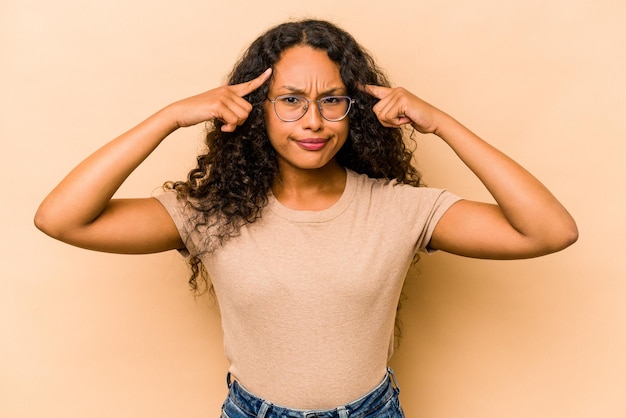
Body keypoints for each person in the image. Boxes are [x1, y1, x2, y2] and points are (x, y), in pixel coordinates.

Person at [34, 19, 577, 418]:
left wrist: (440, 123)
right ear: (255, 109)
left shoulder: (397, 208)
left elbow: (550, 230)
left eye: (332, 101)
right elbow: (62, 219)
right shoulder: (212, 213)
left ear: (354, 111)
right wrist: (172, 116)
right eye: (290, 100)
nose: (312, 121)